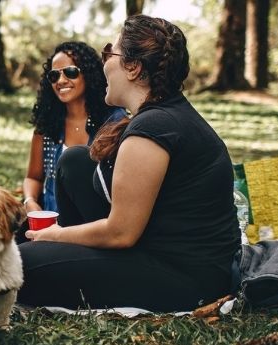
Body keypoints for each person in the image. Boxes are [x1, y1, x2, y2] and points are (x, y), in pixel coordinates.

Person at [16, 15, 240, 311]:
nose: (104, 62)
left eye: (110, 52)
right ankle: (62, 254)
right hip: (154, 246)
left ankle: (57, 254)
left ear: (133, 67)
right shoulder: (162, 114)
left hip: (185, 276)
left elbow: (121, 233)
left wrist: (54, 235)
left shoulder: (154, 128)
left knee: (17, 265)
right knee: (74, 161)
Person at [23, 41, 125, 213]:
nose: (61, 81)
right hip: (50, 225)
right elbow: (33, 177)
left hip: (95, 226)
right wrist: (30, 201)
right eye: (54, 75)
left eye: (70, 72)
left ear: (89, 74)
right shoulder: (47, 124)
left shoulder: (113, 122)